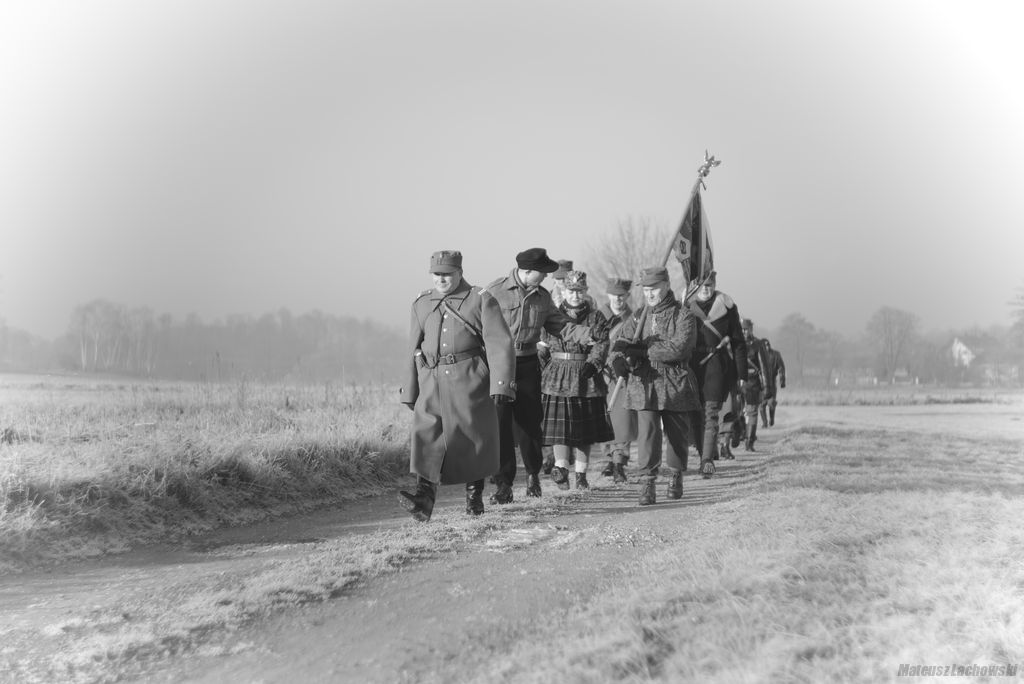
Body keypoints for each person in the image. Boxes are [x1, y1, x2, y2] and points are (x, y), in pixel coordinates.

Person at [398, 250, 516, 521]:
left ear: (460, 273)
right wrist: (410, 388)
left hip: (470, 378)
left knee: (471, 437)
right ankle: (423, 499)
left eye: (447, 274)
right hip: (431, 379)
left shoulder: (480, 299)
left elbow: (499, 342)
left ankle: (474, 498)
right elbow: (412, 346)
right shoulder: (421, 303)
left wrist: (501, 384)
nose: (441, 279)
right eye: (437, 274)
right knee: (426, 435)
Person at [485, 248, 603, 503]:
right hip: (499, 363)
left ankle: (532, 475)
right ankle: (504, 485)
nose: (547, 277)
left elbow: (561, 326)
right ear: (528, 271)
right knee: (500, 424)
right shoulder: (494, 291)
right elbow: (477, 326)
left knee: (530, 424)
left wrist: (588, 335)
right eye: (543, 272)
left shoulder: (543, 297)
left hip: (528, 363)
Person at [609, 266, 700, 505]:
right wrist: (617, 360)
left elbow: (679, 348)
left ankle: (675, 474)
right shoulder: (638, 316)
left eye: (654, 289)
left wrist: (644, 350)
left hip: (674, 382)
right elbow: (621, 342)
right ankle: (647, 481)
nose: (649, 294)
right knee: (647, 433)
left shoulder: (683, 315)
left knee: (677, 434)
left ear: (667, 286)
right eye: (646, 290)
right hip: (644, 383)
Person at [540, 271, 614, 490]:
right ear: (564, 291)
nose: (575, 295)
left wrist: (594, 362)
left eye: (579, 291)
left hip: (586, 375)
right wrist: (539, 365)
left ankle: (581, 475)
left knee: (585, 431)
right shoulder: (551, 315)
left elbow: (602, 343)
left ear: (586, 291)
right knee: (559, 431)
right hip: (557, 376)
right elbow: (543, 344)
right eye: (571, 291)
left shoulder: (596, 317)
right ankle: (561, 470)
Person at [685, 271, 747, 477]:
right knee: (696, 414)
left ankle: (706, 461)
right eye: (702, 285)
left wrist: (742, 374)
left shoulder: (727, 306)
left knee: (711, 413)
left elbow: (738, 343)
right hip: (691, 365)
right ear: (696, 286)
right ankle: (706, 451)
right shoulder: (685, 305)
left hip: (716, 365)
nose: (706, 288)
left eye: (710, 284)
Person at [597, 277, 636, 483]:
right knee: (603, 417)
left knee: (623, 418)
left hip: (622, 374)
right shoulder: (598, 316)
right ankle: (608, 458)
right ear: (608, 295)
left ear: (627, 295)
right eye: (615, 295)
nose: (618, 299)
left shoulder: (634, 318)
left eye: (622, 295)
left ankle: (620, 460)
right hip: (601, 373)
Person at [739, 318, 771, 451]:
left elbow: (764, 367)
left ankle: (749, 441)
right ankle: (738, 436)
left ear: (751, 329)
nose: (744, 332)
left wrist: (767, 386)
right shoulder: (734, 343)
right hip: (736, 384)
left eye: (746, 329)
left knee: (752, 412)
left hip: (752, 383)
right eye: (742, 329)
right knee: (736, 413)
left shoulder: (758, 344)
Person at [759, 340, 786, 427]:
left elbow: (781, 368)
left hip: (771, 383)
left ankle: (771, 420)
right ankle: (765, 422)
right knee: (762, 404)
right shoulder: (759, 355)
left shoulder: (775, 355)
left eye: (767, 345)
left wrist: (782, 381)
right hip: (761, 383)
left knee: (771, 403)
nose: (766, 347)